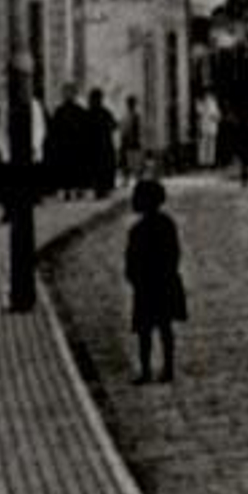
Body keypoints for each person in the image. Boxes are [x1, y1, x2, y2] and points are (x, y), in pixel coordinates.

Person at [124, 177, 186, 386]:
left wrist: (135, 278)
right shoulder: (164, 224)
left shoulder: (139, 230)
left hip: (152, 284)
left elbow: (132, 259)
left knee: (150, 330)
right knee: (159, 327)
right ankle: (160, 368)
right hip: (158, 283)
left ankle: (154, 369)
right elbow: (174, 253)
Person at [45, 84, 90, 200]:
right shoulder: (60, 111)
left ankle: (77, 189)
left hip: (75, 146)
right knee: (67, 169)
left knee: (75, 168)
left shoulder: (79, 111)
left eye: (70, 93)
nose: (68, 96)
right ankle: (68, 190)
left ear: (74, 95)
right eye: (66, 93)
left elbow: (85, 130)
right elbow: (53, 130)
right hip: (65, 146)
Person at [87, 88, 117, 197]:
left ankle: (99, 189)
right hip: (102, 145)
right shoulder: (104, 112)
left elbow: (113, 125)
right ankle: (101, 189)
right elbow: (114, 126)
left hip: (95, 146)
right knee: (101, 168)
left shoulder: (90, 113)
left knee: (98, 168)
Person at [119, 95, 144, 183]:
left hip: (133, 140)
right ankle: (127, 178)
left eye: (131, 103)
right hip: (127, 140)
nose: (130, 105)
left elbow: (137, 129)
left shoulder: (135, 116)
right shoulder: (126, 115)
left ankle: (137, 178)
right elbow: (123, 129)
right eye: (129, 103)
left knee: (135, 160)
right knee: (126, 161)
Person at [195, 91, 221, 172]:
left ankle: (209, 163)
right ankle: (204, 163)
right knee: (204, 145)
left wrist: (215, 117)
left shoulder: (212, 102)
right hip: (205, 126)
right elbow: (199, 113)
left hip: (211, 126)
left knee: (210, 145)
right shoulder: (200, 103)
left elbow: (217, 115)